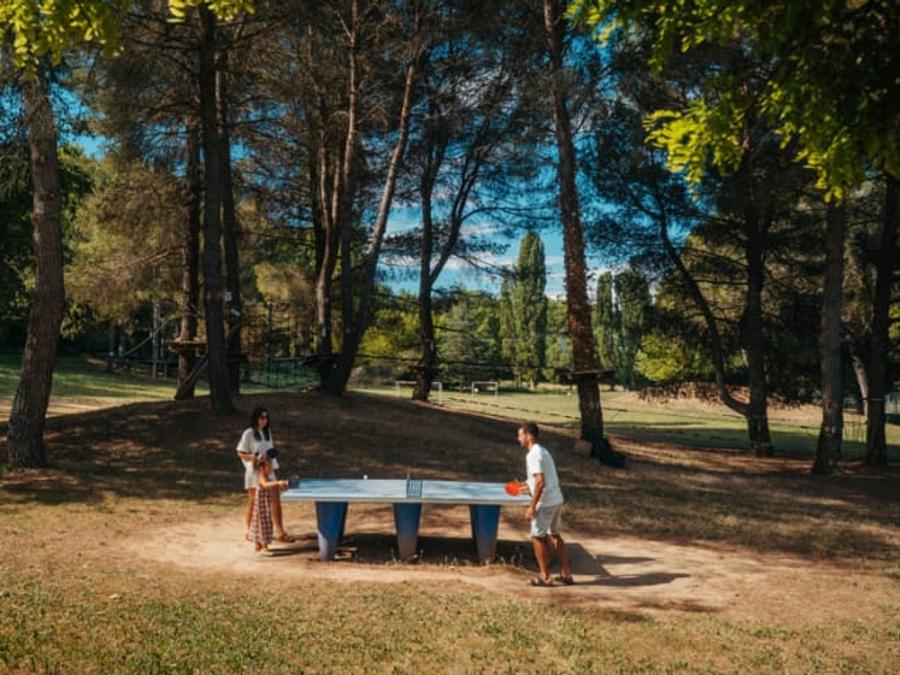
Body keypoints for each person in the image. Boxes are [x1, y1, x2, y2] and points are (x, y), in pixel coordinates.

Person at [515, 421, 573, 587]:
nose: (518, 438)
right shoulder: (543, 451)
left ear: (529, 436)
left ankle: (545, 576)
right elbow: (538, 479)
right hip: (556, 499)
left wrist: (532, 506)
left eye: (520, 435)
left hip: (545, 503)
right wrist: (525, 485)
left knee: (537, 537)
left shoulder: (532, 455)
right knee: (555, 535)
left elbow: (540, 481)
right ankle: (566, 574)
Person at [236, 407, 294, 543]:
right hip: (254, 472)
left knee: (275, 500)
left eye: (266, 417)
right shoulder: (248, 433)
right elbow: (240, 453)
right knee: (253, 501)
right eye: (261, 417)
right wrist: (255, 457)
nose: (264, 420)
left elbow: (270, 451)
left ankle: (280, 532)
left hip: (269, 470)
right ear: (256, 418)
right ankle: (249, 531)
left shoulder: (267, 432)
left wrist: (269, 459)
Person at [249, 454, 290, 554]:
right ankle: (264, 546)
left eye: (271, 465)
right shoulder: (261, 478)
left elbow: (272, 486)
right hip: (261, 507)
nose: (271, 467)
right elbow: (265, 485)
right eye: (269, 466)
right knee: (263, 524)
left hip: (266, 506)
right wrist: (278, 483)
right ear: (261, 468)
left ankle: (258, 545)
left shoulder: (268, 477)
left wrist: (281, 485)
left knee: (262, 524)